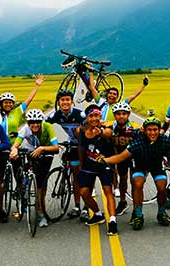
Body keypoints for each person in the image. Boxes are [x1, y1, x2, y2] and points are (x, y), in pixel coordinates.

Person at [102, 112, 170, 231]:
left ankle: (161, 213)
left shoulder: (164, 139)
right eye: (149, 130)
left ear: (159, 130)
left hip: (157, 166)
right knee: (137, 183)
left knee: (162, 186)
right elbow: (121, 157)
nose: (152, 133)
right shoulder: (138, 141)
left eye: (155, 130)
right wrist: (104, 160)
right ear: (144, 130)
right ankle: (138, 215)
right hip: (140, 165)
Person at [9, 109, 59, 228]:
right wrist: (14, 149)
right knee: (23, 167)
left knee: (41, 184)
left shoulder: (47, 127)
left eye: (37, 122)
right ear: (28, 122)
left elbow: (56, 147)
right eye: (32, 122)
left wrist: (42, 148)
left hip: (46, 153)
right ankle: (23, 188)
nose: (35, 125)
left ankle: (41, 212)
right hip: (31, 152)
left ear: (41, 121)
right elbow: (15, 144)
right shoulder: (25, 129)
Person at [76, 104, 118, 235]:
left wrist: (100, 130)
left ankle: (112, 221)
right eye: (91, 116)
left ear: (100, 116)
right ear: (87, 118)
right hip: (89, 165)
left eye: (97, 115)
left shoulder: (105, 128)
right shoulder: (81, 131)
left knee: (107, 190)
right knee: (84, 192)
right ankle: (98, 214)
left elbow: (108, 133)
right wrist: (81, 165)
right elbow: (81, 149)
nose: (94, 118)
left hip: (104, 164)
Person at [45, 88, 86, 218]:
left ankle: (86, 207)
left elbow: (90, 127)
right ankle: (77, 205)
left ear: (72, 101)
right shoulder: (56, 115)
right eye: (62, 100)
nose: (65, 102)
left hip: (84, 145)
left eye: (68, 99)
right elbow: (44, 126)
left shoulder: (80, 115)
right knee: (75, 175)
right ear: (59, 102)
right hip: (72, 145)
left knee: (82, 175)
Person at [108, 102, 140, 215]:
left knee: (135, 181)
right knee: (122, 180)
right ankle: (123, 201)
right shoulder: (110, 126)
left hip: (134, 157)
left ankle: (137, 208)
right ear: (114, 115)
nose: (121, 116)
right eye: (118, 114)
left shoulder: (135, 127)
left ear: (128, 114)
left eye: (124, 114)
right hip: (120, 157)